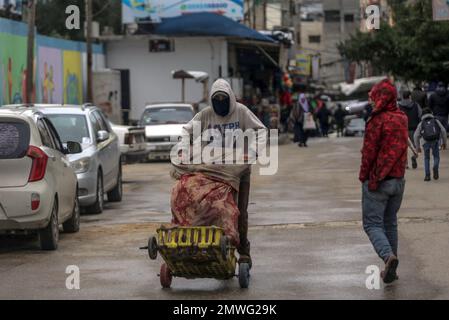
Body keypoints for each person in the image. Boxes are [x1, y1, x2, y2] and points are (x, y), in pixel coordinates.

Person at [182, 79, 266, 267]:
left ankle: (243, 251)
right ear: (212, 100)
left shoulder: (241, 112)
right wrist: (184, 148)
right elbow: (187, 131)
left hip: (238, 171)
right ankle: (211, 246)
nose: (220, 102)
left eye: (223, 99)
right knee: (210, 208)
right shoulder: (205, 115)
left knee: (239, 212)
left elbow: (261, 130)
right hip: (212, 171)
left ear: (230, 98)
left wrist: (252, 151)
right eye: (216, 99)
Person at [359, 79, 409, 284]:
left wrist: (364, 176)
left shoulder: (376, 121)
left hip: (378, 180)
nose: (371, 101)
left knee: (372, 224)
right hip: (398, 181)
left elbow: (369, 154)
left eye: (373, 97)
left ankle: (388, 257)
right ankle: (392, 270)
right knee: (390, 223)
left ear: (381, 98)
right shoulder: (402, 117)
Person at [413, 109, 447, 181]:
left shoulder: (421, 123)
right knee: (436, 156)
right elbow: (443, 131)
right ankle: (435, 166)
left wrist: (417, 147)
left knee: (427, 158)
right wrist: (444, 143)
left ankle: (427, 176)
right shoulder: (436, 121)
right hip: (435, 141)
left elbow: (416, 136)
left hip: (425, 142)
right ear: (431, 113)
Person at [399, 90, 422, 169]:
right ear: (409, 96)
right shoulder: (416, 105)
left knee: (403, 148)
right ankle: (414, 157)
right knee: (415, 146)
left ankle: (406, 164)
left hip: (403, 129)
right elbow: (420, 115)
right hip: (414, 128)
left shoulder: (399, 106)